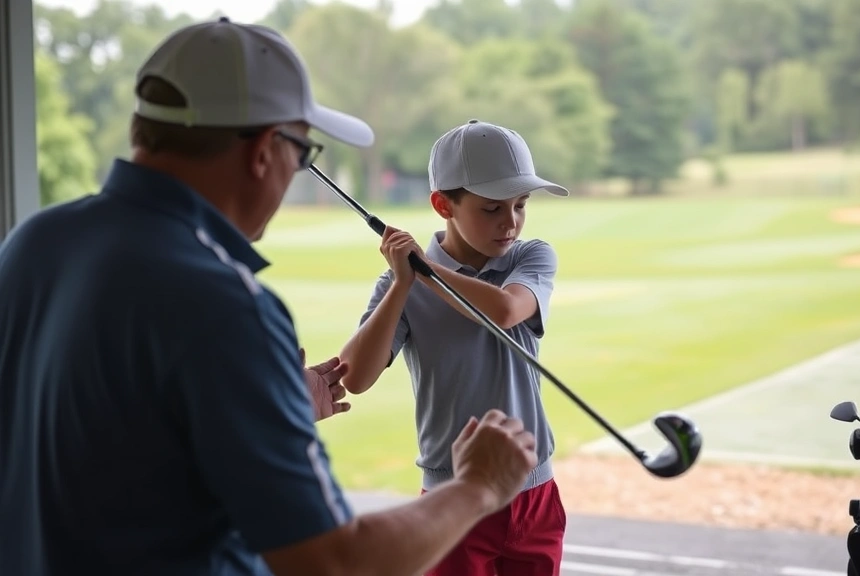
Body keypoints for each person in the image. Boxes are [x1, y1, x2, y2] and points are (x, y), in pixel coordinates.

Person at [0, 19, 538, 576]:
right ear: (263, 152)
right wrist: (478, 485)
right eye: (302, 150)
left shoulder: (32, 246)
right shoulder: (226, 304)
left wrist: (265, 410)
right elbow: (334, 562)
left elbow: (113, 442)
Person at [339, 119, 570, 575]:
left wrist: (426, 270)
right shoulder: (399, 285)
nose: (511, 223)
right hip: (454, 501)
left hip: (535, 495)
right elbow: (355, 377)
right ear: (443, 203)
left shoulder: (530, 256)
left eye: (521, 205)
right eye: (492, 209)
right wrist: (404, 284)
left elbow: (504, 311)